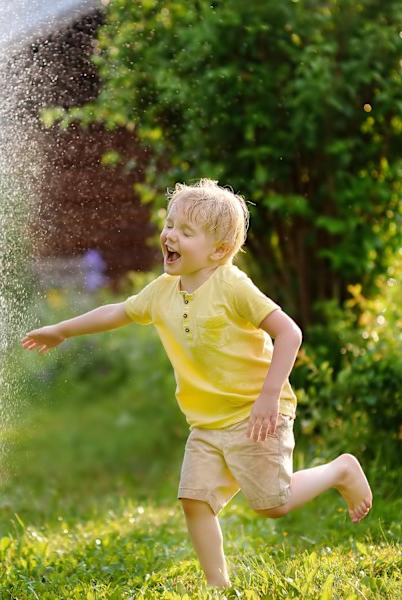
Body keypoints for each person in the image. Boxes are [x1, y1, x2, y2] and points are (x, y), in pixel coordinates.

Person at [21, 178, 372, 588]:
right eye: (170, 225)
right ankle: (217, 587)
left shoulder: (232, 286)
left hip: (254, 413)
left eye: (186, 232)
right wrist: (61, 330)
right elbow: (118, 311)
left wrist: (269, 397)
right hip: (205, 423)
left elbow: (289, 333)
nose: (170, 235)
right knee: (195, 501)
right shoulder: (163, 291)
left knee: (273, 505)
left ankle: (341, 470)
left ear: (219, 251)